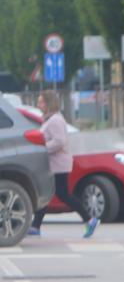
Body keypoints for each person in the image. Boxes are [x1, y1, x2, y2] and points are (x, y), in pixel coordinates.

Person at [29, 90, 98, 239]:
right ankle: (35, 226)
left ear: (48, 104)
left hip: (58, 164)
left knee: (62, 193)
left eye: (41, 102)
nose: (38, 105)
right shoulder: (50, 119)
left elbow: (59, 141)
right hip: (54, 164)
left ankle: (89, 219)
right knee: (47, 193)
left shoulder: (55, 120)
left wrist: (43, 149)